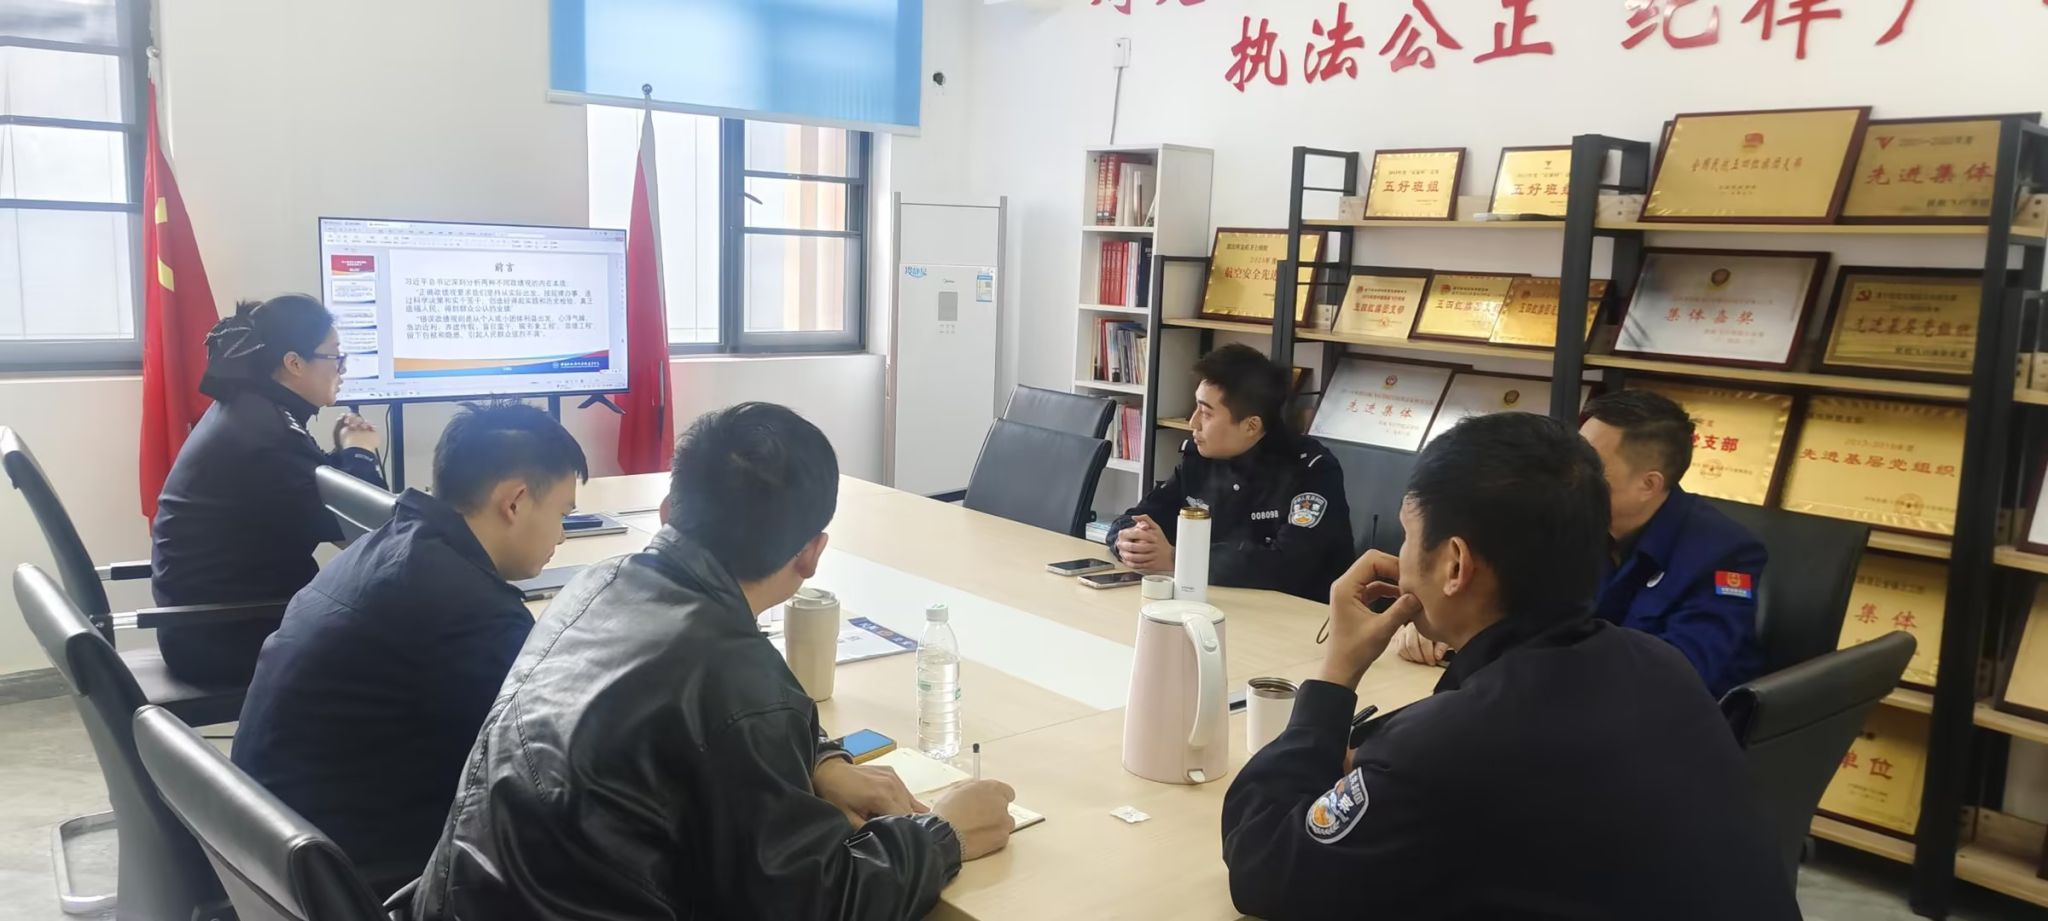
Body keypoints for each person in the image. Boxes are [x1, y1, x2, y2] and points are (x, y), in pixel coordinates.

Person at [413, 402, 1018, 921]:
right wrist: (942, 836)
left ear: (667, 512)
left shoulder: (597, 585)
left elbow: (704, 723)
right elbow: (817, 904)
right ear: (812, 554)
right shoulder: (737, 676)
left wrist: (820, 760)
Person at [1220, 413, 1798, 921]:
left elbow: (1262, 867)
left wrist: (1337, 672)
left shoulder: (1448, 749)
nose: (1400, 556)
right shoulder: (1657, 664)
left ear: (1455, 565)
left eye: (1409, 534)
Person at [229, 402, 586, 891]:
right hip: (353, 880)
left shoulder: (386, 546)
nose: (562, 535)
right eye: (563, 514)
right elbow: (543, 769)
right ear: (516, 501)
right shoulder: (473, 611)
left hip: (267, 850)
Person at [1394, 390, 1767, 698]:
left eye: (1592, 466)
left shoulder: (1725, 553)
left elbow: (1679, 675)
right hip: (1550, 701)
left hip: (1656, 732)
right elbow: (1507, 607)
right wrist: (1443, 615)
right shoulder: (1564, 517)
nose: (1570, 472)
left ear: (1648, 485)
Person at [150, 295, 385, 685]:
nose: (342, 369)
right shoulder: (267, 436)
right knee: (405, 640)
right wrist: (360, 454)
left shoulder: (252, 410)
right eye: (335, 357)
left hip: (207, 627)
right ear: (294, 363)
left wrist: (345, 452)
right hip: (228, 636)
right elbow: (365, 537)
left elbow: (307, 487)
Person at [1106, 344, 1352, 601]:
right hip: (1218, 603)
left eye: (1206, 413)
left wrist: (1178, 558)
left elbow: (1288, 567)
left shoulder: (1311, 470)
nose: (1193, 422)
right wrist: (1129, 542)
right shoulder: (1201, 458)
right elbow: (1138, 517)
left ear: (1251, 426)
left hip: (1300, 615)